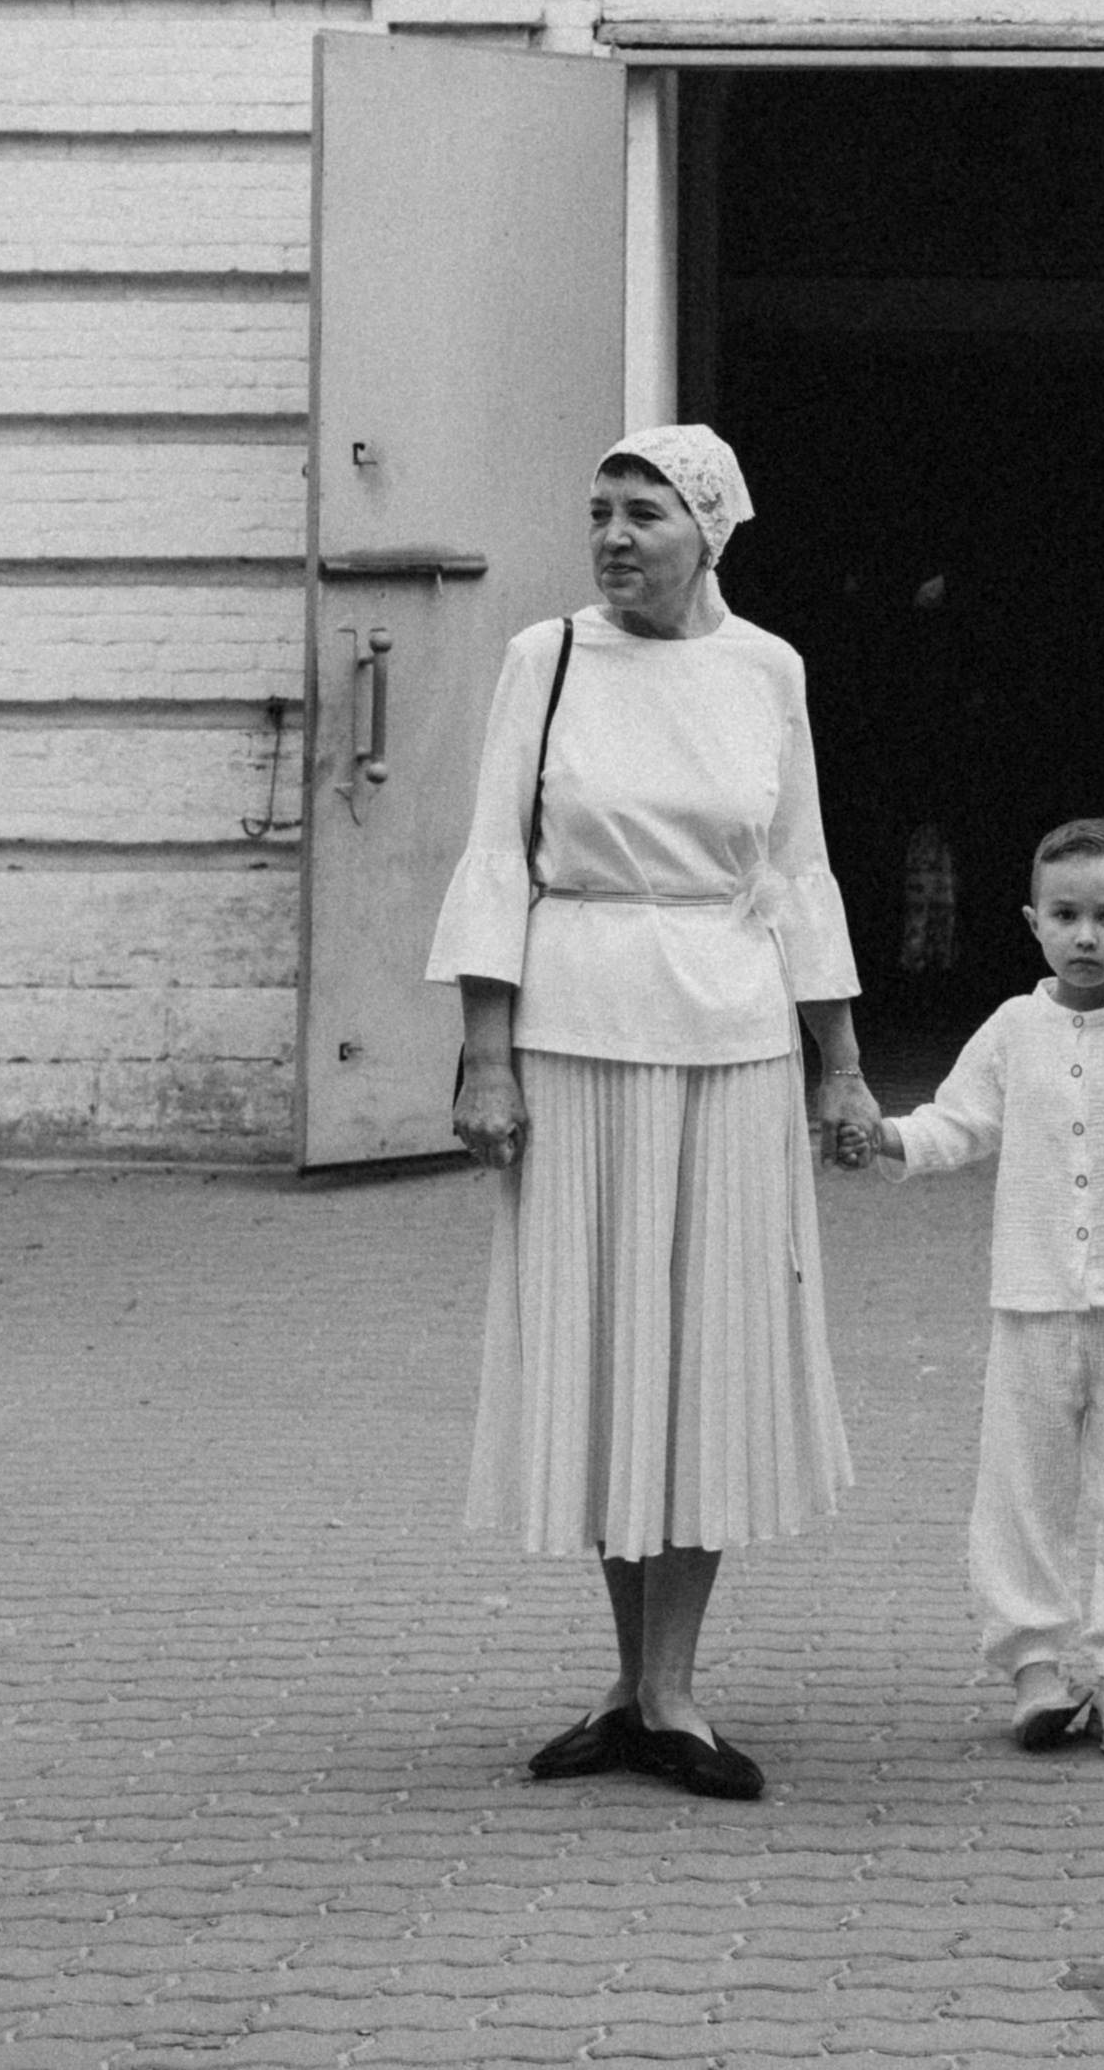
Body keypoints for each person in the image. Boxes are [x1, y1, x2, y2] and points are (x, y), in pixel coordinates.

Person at [428, 423, 882, 1804]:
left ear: (710, 532)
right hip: (576, 1031)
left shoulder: (767, 671)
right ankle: (626, 1686)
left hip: (733, 1040)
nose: (616, 537)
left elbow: (799, 868)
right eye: (600, 512)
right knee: (606, 1348)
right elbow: (496, 858)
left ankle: (674, 1687)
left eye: (646, 514)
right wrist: (486, 1054)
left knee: (703, 1353)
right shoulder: (544, 660)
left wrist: (842, 1063)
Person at [838, 817, 1104, 1761]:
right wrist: (891, 1138)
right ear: (1032, 921)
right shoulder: (1014, 1029)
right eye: (1067, 915)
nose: (1086, 935)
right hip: (1032, 1301)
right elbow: (958, 1122)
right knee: (1022, 1487)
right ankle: (1035, 1667)